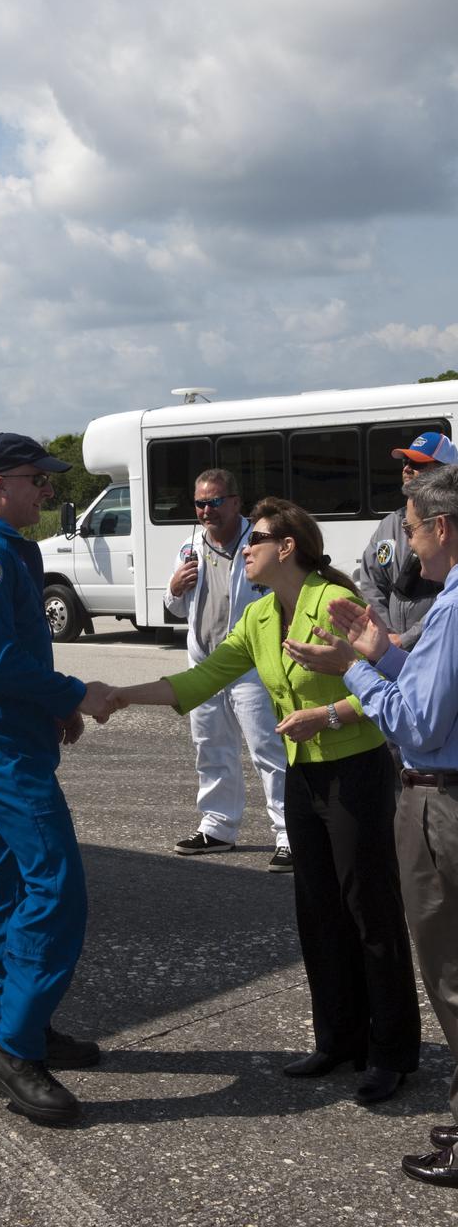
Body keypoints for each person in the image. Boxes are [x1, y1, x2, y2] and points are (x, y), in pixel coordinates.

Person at [106, 498, 421, 1105]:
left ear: (288, 547)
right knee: (318, 912)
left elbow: (395, 684)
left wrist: (328, 714)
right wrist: (122, 694)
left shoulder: (333, 601)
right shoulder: (258, 618)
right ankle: (338, 1041)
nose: (243, 547)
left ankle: (392, 1054)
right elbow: (201, 680)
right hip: (304, 780)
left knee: (370, 915)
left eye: (257, 538)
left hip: (356, 772)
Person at [285, 463, 458, 1188]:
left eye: (413, 529)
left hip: (440, 800)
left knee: (449, 973)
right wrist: (380, 651)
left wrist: (354, 671)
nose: (408, 545)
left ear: (442, 528)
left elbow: (418, 722)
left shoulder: (452, 605)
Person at [0, 432, 112, 1127]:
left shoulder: (10, 546)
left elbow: (13, 655)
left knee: (10, 876)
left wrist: (51, 711)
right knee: (56, 883)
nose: (48, 490)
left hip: (12, 731)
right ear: (2, 483)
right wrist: (73, 694)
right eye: (39, 479)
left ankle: (23, 1024)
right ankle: (13, 1047)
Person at [164, 469, 290, 870]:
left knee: (269, 749)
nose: (206, 511)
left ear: (236, 502)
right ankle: (217, 826)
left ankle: (289, 834)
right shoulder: (190, 545)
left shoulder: (260, 542)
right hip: (205, 662)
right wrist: (174, 588)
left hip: (251, 663)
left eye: (215, 502)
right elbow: (177, 609)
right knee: (210, 747)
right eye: (200, 503)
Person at [359, 431, 458, 650]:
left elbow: (451, 597)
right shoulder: (389, 523)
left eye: (418, 463)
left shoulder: (453, 525)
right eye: (406, 461)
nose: (407, 468)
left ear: (445, 471)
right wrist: (386, 635)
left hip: (439, 645)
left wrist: (408, 639)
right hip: (391, 646)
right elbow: (371, 583)